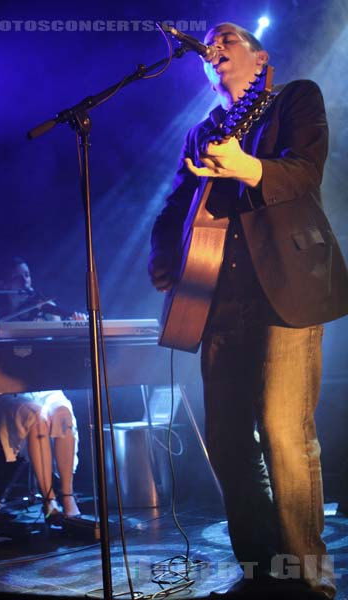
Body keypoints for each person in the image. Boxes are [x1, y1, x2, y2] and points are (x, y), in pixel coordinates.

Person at [148, 22, 348, 600]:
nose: (216, 43)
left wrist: (247, 166)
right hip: (216, 303)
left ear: (260, 57)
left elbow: (305, 174)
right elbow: (171, 209)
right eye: (210, 42)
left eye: (229, 37)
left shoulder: (295, 98)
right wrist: (165, 258)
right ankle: (262, 573)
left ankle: (308, 581)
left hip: (284, 290)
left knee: (285, 433)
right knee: (229, 440)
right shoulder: (201, 133)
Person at [0, 256, 85, 524]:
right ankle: (49, 501)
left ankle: (68, 495)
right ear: (3, 285)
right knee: (37, 416)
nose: (25, 282)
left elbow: (70, 339)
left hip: (47, 389)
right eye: (18, 278)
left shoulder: (47, 312)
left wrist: (75, 322)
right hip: (13, 393)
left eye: (28, 276)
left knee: (63, 412)